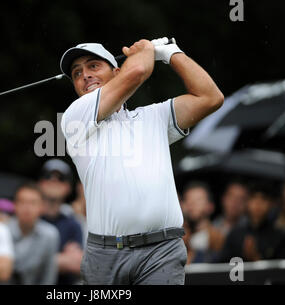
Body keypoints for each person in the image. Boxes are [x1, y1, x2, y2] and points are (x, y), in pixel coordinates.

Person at [59, 37, 224, 284]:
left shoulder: (153, 117)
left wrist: (171, 53)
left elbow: (210, 98)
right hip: (105, 256)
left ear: (116, 72)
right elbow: (138, 70)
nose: (85, 75)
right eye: (77, 73)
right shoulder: (75, 118)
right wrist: (147, 50)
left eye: (94, 66)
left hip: (161, 252)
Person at [38, 158, 84, 285]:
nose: (54, 181)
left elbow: (79, 264)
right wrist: (63, 260)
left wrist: (39, 261)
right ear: (40, 183)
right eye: (48, 176)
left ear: (68, 187)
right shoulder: (31, 218)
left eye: (61, 178)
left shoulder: (74, 224)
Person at [216, 183, 285, 263]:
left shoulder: (278, 236)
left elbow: (281, 272)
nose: (258, 203)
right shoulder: (235, 234)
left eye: (263, 199)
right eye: (253, 198)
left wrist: (255, 258)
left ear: (270, 204)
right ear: (247, 203)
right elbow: (222, 266)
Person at [7, 182, 59, 285]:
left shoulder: (50, 235)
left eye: (33, 203)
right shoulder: (2, 230)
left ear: (42, 207)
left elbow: (49, 276)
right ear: (15, 205)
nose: (27, 208)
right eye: (22, 202)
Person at [181, 181, 224, 263]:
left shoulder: (218, 239)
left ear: (210, 206)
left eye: (198, 200)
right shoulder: (179, 238)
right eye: (188, 199)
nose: (191, 204)